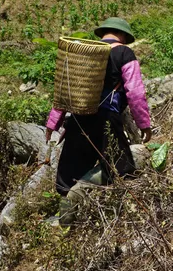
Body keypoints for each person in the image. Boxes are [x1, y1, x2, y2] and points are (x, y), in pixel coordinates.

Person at [45, 18, 152, 195]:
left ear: (103, 33)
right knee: (122, 169)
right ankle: (89, 195)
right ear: (122, 35)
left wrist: (52, 123)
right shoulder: (125, 53)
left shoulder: (84, 55)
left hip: (79, 118)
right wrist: (143, 124)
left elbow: (66, 91)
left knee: (67, 179)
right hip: (107, 120)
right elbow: (135, 92)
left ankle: (66, 217)